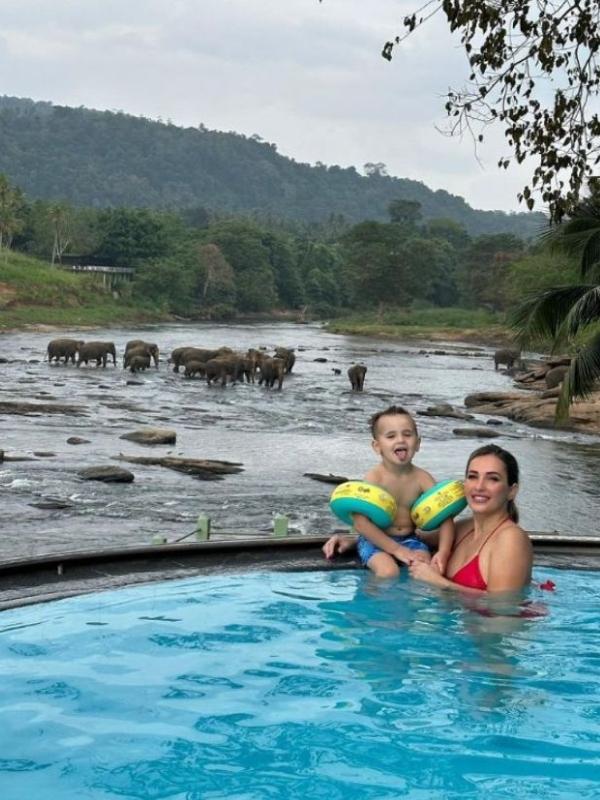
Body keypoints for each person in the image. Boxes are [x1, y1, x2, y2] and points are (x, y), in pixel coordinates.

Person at [323, 405, 455, 579]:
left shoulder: (422, 478)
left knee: (426, 570)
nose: (400, 440)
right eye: (391, 436)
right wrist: (397, 550)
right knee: (388, 572)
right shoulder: (375, 478)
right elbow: (360, 523)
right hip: (374, 541)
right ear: (377, 446)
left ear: (418, 443)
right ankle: (372, 598)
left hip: (411, 540)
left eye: (407, 434)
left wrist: (444, 552)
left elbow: (445, 515)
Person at [408, 444, 533, 593]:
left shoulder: (510, 539)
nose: (479, 486)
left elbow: (502, 608)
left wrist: (438, 582)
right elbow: (416, 537)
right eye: (473, 476)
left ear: (512, 491)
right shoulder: (465, 528)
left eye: (493, 479)